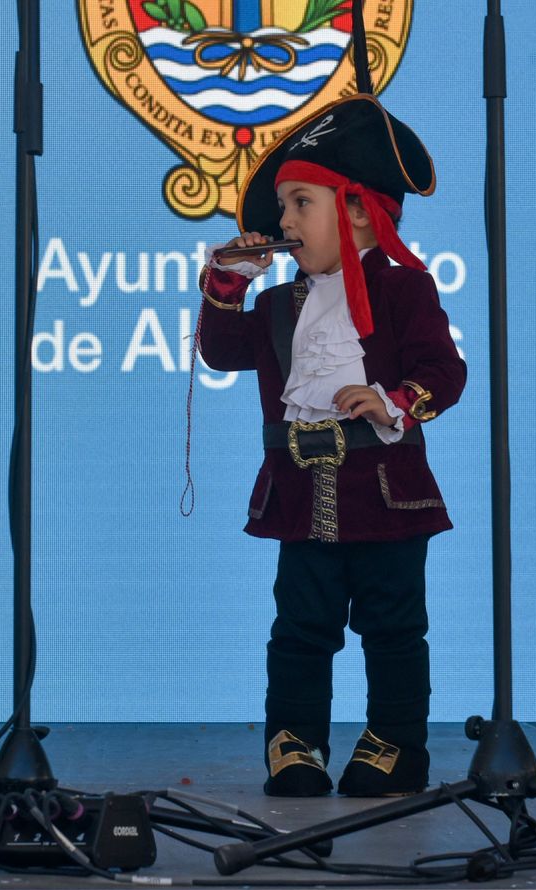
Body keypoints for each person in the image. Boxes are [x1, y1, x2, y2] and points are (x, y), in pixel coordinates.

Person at [195, 95, 467, 797]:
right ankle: (296, 744)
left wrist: (395, 400)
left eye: (300, 204)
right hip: (300, 497)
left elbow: (445, 372)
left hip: (387, 496)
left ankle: (395, 745)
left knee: (394, 627)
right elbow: (221, 352)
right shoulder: (277, 305)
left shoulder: (406, 289)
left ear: (358, 212)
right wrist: (226, 284)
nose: (283, 221)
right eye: (283, 206)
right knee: (300, 629)